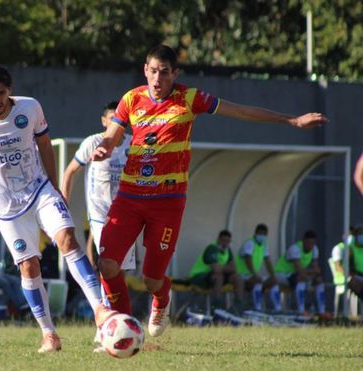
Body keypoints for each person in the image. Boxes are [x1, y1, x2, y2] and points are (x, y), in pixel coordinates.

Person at [91, 44, 328, 336]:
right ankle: (122, 329)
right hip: (129, 197)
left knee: (152, 279)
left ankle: (162, 299)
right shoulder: (131, 99)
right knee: (107, 264)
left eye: (164, 73)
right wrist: (105, 146)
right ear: (145, 70)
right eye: (153, 71)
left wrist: (290, 120)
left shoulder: (190, 99)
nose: (157, 79)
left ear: (174, 74)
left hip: (167, 202)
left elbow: (239, 111)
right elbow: (113, 134)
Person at [0, 64, 104, 353]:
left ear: (10, 91)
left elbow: (45, 144)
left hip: (40, 190)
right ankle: (49, 334)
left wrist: (54, 186)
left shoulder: (30, 108)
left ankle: (102, 315)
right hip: (7, 207)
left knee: (66, 238)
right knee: (28, 266)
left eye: (1, 93)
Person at [60, 101, 135, 351]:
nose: (117, 123)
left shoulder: (134, 143)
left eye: (120, 119)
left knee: (119, 272)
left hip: (127, 215)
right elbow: (70, 171)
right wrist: (62, 204)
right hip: (101, 216)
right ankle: (107, 327)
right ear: (104, 122)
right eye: (112, 119)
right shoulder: (93, 142)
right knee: (107, 269)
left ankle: (120, 325)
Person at [275, 230, 330, 318]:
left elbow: (316, 269)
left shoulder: (314, 249)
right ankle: (301, 311)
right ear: (303, 240)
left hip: (296, 275)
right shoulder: (295, 249)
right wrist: (312, 272)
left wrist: (313, 273)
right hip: (282, 274)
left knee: (318, 280)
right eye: (308, 243)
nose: (310, 246)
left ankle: (322, 311)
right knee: (302, 278)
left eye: (312, 243)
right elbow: (300, 270)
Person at [188, 230, 244, 312]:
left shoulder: (228, 250)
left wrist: (222, 268)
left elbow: (234, 269)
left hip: (212, 277)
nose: (225, 243)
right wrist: (226, 268)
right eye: (223, 240)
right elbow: (216, 269)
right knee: (219, 277)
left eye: (228, 241)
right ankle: (217, 307)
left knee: (238, 277)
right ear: (218, 239)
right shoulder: (212, 248)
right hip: (198, 276)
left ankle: (238, 306)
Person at [234, 224, 282, 312]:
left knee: (274, 281)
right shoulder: (249, 243)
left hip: (252, 275)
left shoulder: (264, 245)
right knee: (258, 280)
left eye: (264, 234)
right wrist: (255, 274)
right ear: (255, 233)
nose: (262, 236)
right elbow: (248, 260)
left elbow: (267, 261)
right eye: (261, 233)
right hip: (242, 274)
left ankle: (277, 309)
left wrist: (273, 275)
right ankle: (257, 308)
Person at [346, 224, 363, 299]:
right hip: (357, 275)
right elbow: (348, 263)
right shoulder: (351, 246)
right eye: (359, 234)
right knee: (353, 283)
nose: (361, 236)